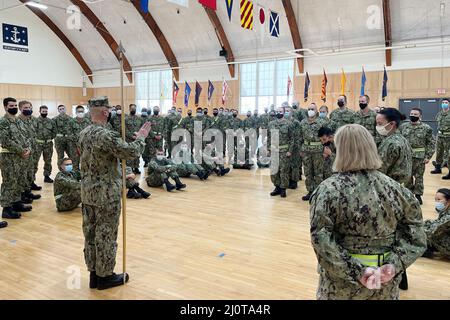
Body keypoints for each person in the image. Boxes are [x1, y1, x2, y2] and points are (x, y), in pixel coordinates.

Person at [310, 124, 426, 300]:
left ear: (341, 150)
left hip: (340, 285)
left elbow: (321, 239)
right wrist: (393, 266)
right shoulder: (398, 190)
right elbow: (416, 236)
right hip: (384, 283)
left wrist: (358, 272)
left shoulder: (328, 190)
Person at [78, 96, 151, 290]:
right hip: (105, 194)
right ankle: (105, 276)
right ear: (104, 112)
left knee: (91, 234)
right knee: (106, 235)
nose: (110, 112)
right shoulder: (104, 134)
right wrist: (142, 136)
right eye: (108, 109)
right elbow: (130, 152)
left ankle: (94, 274)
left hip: (87, 192)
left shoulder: (84, 133)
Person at [0, 97, 31, 219]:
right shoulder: (3, 122)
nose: (13, 108)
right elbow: (5, 140)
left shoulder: (18, 121)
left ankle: (16, 202)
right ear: (5, 107)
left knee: (19, 180)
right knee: (9, 182)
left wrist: (28, 148)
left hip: (21, 157)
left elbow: (26, 136)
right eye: (11, 106)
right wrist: (21, 150)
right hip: (9, 157)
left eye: (14, 106)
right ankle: (6, 208)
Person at [400, 107, 435, 205]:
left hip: (420, 157)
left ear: (420, 116)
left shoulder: (426, 128)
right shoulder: (403, 127)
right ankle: (409, 194)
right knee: (407, 176)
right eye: (411, 114)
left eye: (415, 114)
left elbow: (431, 143)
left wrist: (428, 156)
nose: (413, 116)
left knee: (419, 177)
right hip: (406, 156)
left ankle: (418, 195)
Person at [377, 108, 412, 186]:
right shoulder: (402, 138)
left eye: (380, 124)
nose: (377, 127)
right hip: (402, 185)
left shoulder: (390, 143)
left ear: (392, 124)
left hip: (390, 186)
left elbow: (380, 169)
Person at [299, 103, 327, 201]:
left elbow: (326, 137)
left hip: (318, 151)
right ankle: (310, 191)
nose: (310, 110)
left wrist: (325, 149)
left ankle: (318, 193)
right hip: (306, 150)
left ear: (316, 111)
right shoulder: (303, 122)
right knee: (308, 172)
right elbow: (299, 137)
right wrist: (300, 150)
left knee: (318, 172)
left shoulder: (321, 122)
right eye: (309, 109)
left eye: (313, 109)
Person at [268, 106, 293, 198]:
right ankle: (277, 187)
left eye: (280, 111)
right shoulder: (271, 124)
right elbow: (269, 137)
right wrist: (268, 148)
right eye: (277, 111)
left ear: (283, 112)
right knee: (274, 170)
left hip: (284, 151)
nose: (278, 113)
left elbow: (292, 139)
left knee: (284, 170)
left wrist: (290, 150)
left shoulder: (288, 124)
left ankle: (283, 189)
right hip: (274, 150)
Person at [17, 101, 42, 199]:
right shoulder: (17, 121)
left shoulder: (33, 120)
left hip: (33, 149)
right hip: (23, 151)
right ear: (20, 108)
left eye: (29, 107)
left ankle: (28, 189)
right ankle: (22, 193)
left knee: (31, 169)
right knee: (22, 172)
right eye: (25, 107)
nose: (28, 109)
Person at [422, 188, 450, 258]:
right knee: (428, 223)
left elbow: (433, 231)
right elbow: (437, 222)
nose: (437, 202)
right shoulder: (446, 210)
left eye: (439, 200)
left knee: (433, 235)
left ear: (448, 201)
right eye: (435, 200)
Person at [34, 105, 56, 183]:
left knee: (48, 161)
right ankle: (31, 179)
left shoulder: (51, 122)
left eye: (46, 111)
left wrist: (49, 138)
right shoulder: (35, 121)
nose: (44, 113)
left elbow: (54, 132)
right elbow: (32, 132)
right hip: (37, 144)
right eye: (43, 111)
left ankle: (47, 176)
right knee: (34, 161)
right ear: (39, 111)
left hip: (48, 144)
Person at [431, 99, 450, 179]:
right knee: (439, 153)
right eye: (443, 103)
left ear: (449, 104)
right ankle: (438, 168)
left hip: (448, 137)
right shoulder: (439, 114)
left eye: (446, 103)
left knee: (448, 155)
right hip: (439, 136)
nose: (444, 104)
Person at [70, 105, 91, 171]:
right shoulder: (71, 122)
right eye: (79, 111)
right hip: (75, 146)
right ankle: (76, 177)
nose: (80, 113)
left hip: (86, 146)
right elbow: (69, 134)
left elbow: (90, 132)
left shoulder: (88, 121)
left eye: (82, 111)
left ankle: (85, 178)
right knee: (75, 163)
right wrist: (77, 143)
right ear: (76, 112)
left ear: (84, 112)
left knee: (86, 162)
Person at [125, 104, 143, 174]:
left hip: (137, 140)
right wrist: (131, 136)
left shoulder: (139, 119)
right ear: (129, 109)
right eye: (132, 109)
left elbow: (141, 129)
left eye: (134, 109)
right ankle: (130, 168)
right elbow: (124, 129)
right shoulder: (125, 119)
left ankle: (136, 167)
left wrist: (139, 136)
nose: (133, 110)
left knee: (137, 154)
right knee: (130, 154)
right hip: (129, 140)